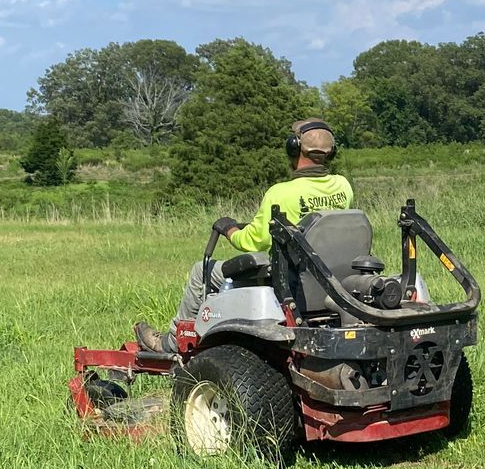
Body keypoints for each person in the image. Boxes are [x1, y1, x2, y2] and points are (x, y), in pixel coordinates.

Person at [134, 119, 353, 349]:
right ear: (331, 153)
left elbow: (253, 241)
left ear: (293, 148)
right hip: (329, 278)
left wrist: (230, 230)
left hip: (290, 280)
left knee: (202, 270)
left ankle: (170, 343)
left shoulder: (281, 193)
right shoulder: (343, 187)